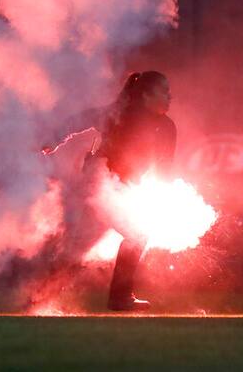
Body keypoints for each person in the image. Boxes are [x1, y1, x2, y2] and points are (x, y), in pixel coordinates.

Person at [47, 70, 175, 311]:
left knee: (80, 246)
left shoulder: (167, 127)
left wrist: (165, 198)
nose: (170, 97)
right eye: (164, 91)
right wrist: (54, 139)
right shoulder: (120, 113)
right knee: (136, 235)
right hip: (99, 183)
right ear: (146, 95)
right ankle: (120, 298)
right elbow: (81, 119)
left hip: (123, 189)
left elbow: (164, 168)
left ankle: (40, 297)